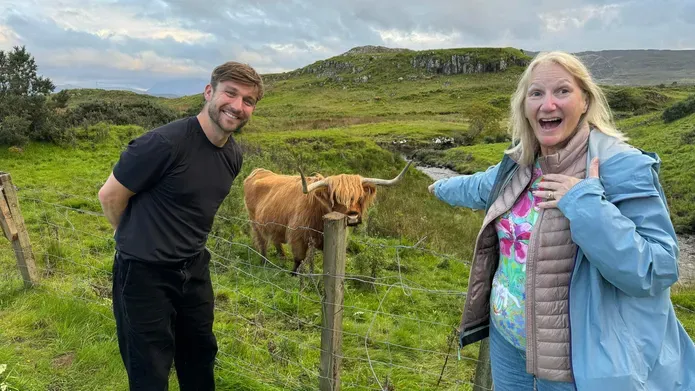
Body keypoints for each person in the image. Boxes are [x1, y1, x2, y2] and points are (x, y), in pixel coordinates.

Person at [428, 51, 695, 391]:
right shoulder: (521, 161)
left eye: (562, 91)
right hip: (509, 347)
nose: (548, 104)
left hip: (578, 365)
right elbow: (479, 186)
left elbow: (657, 269)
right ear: (524, 105)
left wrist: (585, 205)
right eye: (536, 93)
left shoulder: (622, 166)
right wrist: (436, 187)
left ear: (585, 100)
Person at [98, 61, 264, 390]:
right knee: (149, 366)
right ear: (209, 92)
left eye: (248, 101)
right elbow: (110, 195)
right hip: (144, 272)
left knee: (200, 355)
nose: (237, 106)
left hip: (194, 269)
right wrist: (127, 235)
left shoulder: (233, 155)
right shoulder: (162, 144)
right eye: (230, 93)